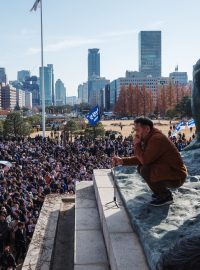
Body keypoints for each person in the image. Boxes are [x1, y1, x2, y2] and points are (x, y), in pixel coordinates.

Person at [112, 117, 187, 207]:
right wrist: (122, 161)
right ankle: (160, 192)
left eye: (137, 130)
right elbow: (143, 158)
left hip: (176, 177)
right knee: (141, 167)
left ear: (147, 129)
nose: (136, 133)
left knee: (145, 169)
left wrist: (137, 145)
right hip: (171, 172)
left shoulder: (156, 139)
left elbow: (145, 160)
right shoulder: (151, 137)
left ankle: (165, 196)